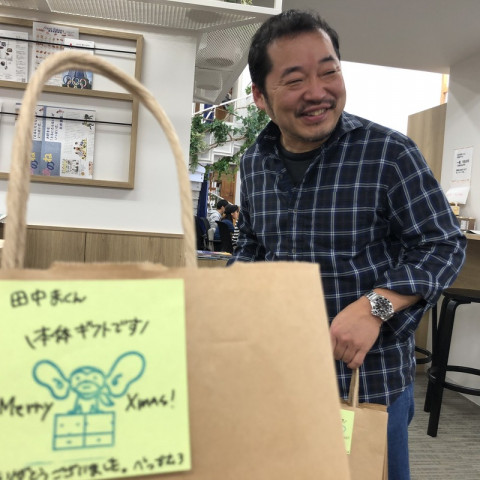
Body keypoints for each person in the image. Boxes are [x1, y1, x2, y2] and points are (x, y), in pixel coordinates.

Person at [228, 9, 466, 480]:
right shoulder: (255, 162)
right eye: (294, 79)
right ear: (260, 96)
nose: (317, 91)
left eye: (329, 71)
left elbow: (443, 245)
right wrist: (226, 295)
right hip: (280, 378)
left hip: (367, 383)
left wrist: (376, 306)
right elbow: (253, 245)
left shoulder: (389, 154)